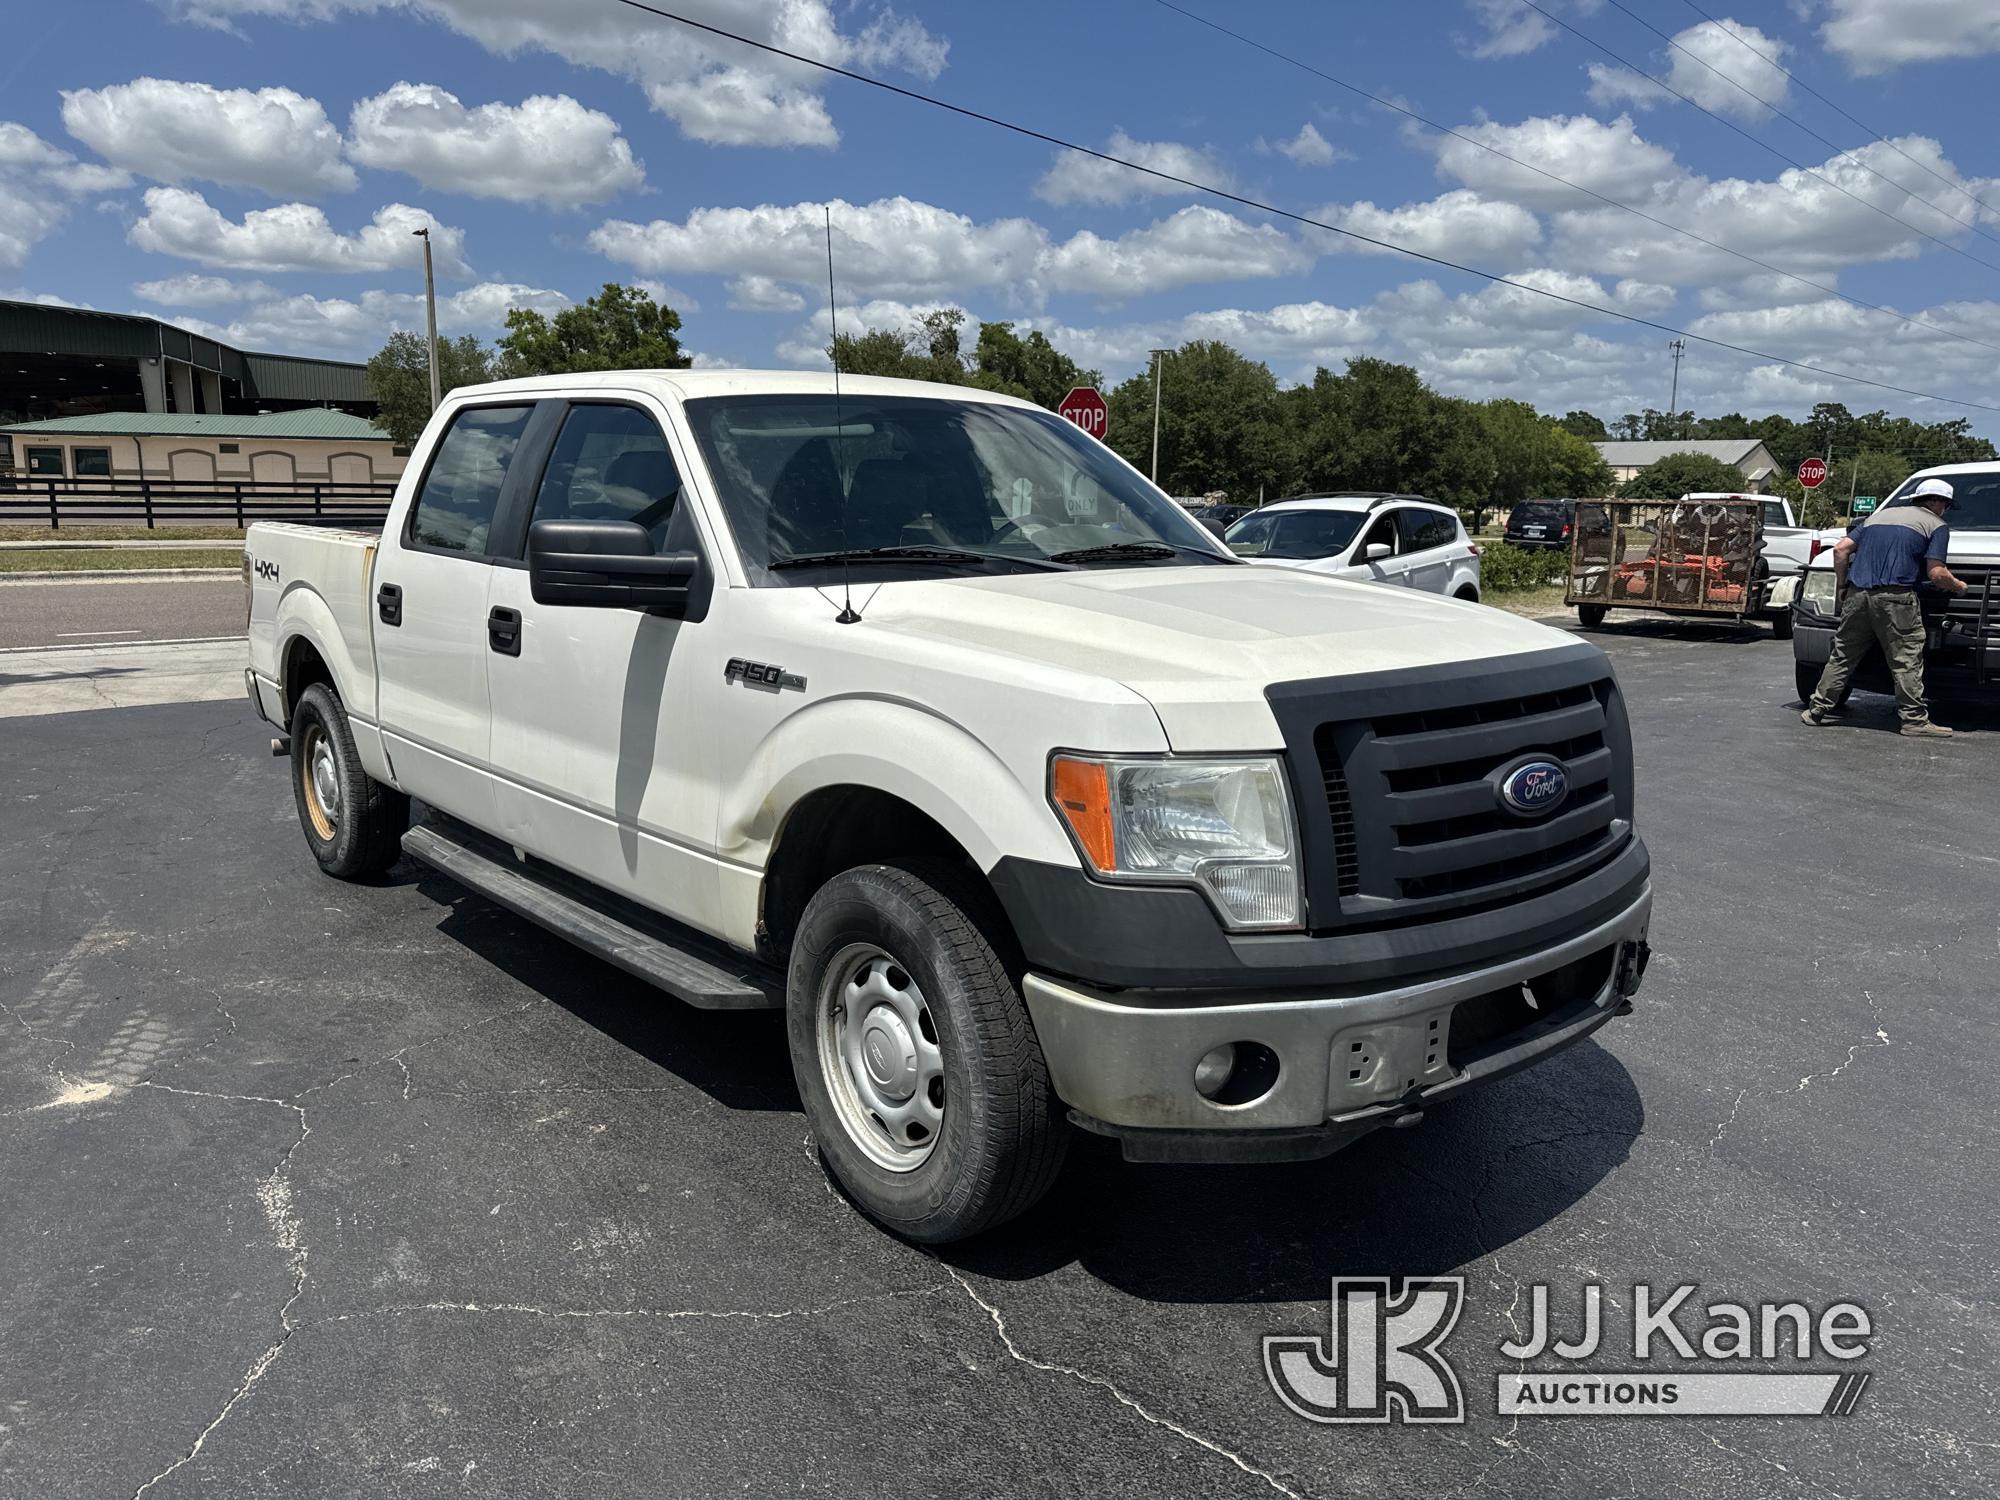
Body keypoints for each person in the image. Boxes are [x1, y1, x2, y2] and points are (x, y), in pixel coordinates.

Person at [1802, 477, 1967, 737]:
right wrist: (1958, 585)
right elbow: (1936, 573)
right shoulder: (1936, 525)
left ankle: (1816, 710)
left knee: (1843, 654)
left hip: (1858, 595)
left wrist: (1843, 586)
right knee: (1906, 659)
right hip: (1897, 599)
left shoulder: (1878, 517)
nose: (1944, 510)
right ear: (1937, 502)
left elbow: (1840, 550)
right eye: (1946, 505)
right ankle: (1913, 721)